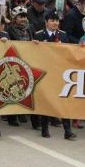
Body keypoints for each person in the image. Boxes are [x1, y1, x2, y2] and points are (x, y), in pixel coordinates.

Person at [32, 11, 76, 140]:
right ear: (46, 22)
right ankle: (45, 128)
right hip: (45, 72)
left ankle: (67, 131)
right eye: (52, 20)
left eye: (57, 21)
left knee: (64, 101)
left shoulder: (63, 35)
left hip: (60, 72)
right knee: (47, 101)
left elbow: (70, 52)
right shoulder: (39, 35)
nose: (55, 23)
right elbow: (33, 54)